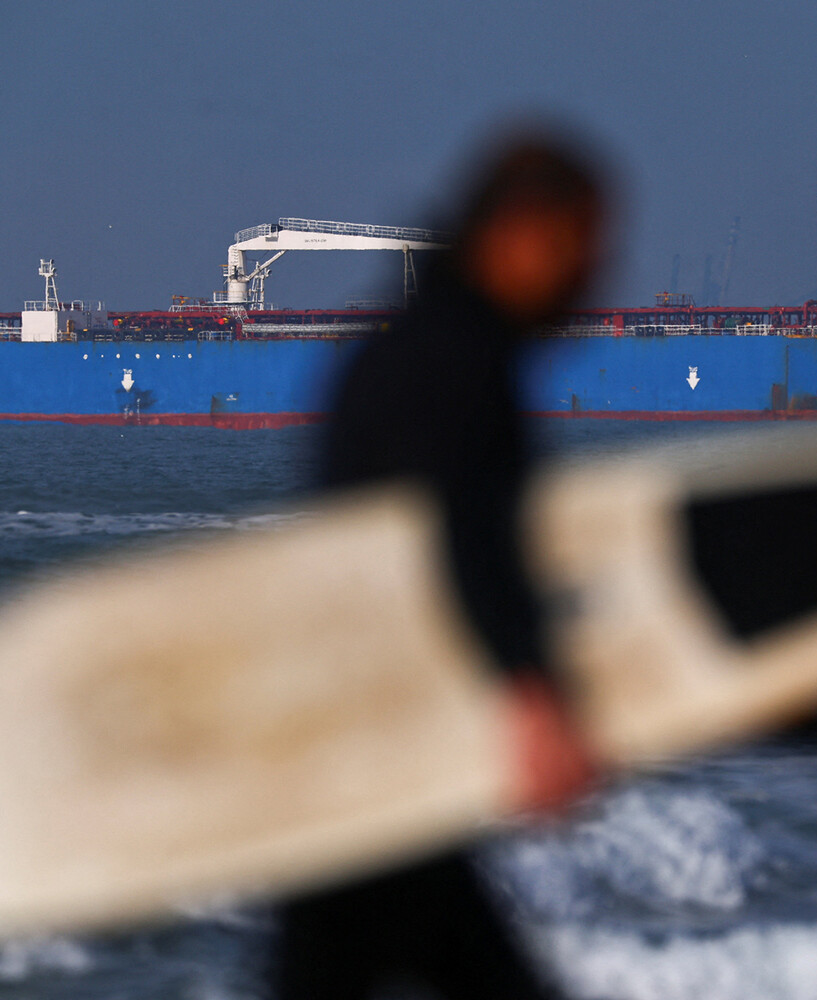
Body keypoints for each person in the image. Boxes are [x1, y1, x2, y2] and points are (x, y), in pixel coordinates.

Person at [271, 135, 606, 1000]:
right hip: (375, 757)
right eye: (579, 246)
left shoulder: (409, 345)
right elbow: (454, 537)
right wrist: (530, 690)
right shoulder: (459, 359)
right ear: (518, 234)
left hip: (353, 750)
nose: (595, 277)